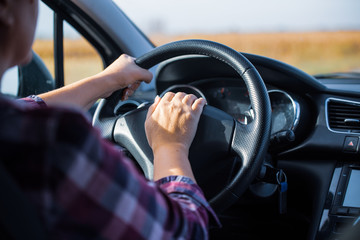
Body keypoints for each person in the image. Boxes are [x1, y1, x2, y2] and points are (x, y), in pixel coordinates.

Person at [0, 0, 219, 239]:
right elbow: (186, 233)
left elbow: (20, 111)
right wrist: (170, 145)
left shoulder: (19, 132)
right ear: (5, 6)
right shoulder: (55, 145)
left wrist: (107, 80)